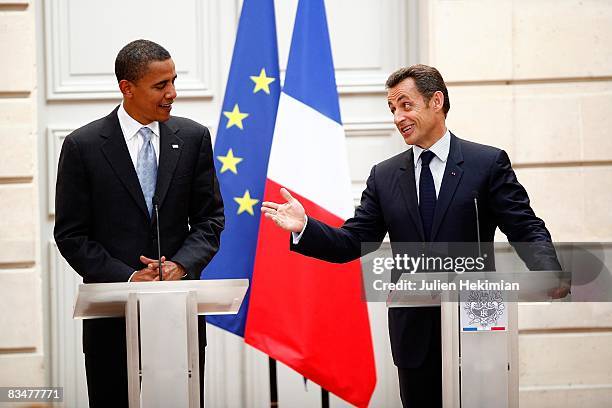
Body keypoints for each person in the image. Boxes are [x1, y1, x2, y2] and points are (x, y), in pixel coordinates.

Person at [261, 64, 562, 407]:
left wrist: (547, 268)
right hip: (413, 330)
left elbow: (524, 225)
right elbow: (353, 241)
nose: (397, 117)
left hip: (478, 319)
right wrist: (305, 227)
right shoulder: (385, 176)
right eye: (392, 109)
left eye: (405, 105)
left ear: (436, 101)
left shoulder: (486, 163)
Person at [54, 39, 224, 407]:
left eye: (173, 81)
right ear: (127, 88)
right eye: (160, 85)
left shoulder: (193, 138)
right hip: (112, 323)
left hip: (178, 315)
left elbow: (210, 219)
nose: (172, 94)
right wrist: (130, 278)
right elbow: (71, 235)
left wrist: (180, 264)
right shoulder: (82, 146)